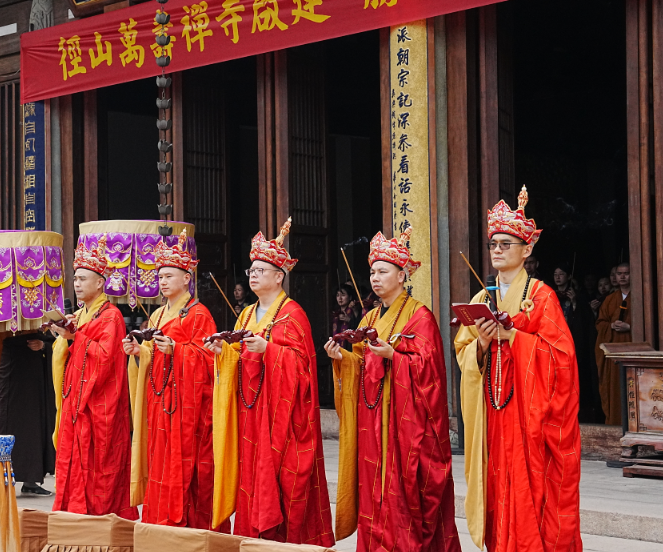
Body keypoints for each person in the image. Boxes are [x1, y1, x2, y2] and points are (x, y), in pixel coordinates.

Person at [455, 187, 581, 552]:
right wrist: (480, 343)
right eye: (493, 243)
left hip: (529, 417)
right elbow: (463, 352)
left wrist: (514, 337)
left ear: (526, 250)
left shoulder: (540, 296)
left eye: (506, 243)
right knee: (495, 485)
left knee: (533, 490)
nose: (497, 249)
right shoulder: (481, 298)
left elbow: (562, 360)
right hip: (491, 412)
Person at [322, 227, 459, 551]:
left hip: (404, 430)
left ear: (402, 275)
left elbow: (431, 375)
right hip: (373, 426)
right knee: (373, 494)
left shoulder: (420, 317)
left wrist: (395, 358)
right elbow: (359, 367)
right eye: (372, 271)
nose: (375, 278)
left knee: (405, 496)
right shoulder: (369, 316)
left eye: (383, 271)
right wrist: (342, 357)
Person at [206, 218, 334, 546]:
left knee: (283, 485)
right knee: (251, 478)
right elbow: (236, 357)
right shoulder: (247, 314)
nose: (253, 274)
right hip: (251, 415)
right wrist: (223, 351)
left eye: (261, 269)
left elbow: (304, 370)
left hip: (282, 419)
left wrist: (270, 351)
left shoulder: (293, 314)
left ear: (279, 276)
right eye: (252, 269)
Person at [124, 229, 221, 529]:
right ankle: (158, 527)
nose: (162, 282)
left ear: (186, 279)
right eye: (160, 276)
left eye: (169, 276)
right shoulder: (155, 317)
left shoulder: (199, 315)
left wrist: (178, 350)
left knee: (186, 471)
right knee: (159, 464)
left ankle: (185, 531)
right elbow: (152, 359)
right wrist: (139, 352)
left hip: (187, 411)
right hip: (159, 404)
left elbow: (209, 360)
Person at [51, 235, 137, 518]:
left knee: (100, 468)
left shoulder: (110, 316)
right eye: (75, 278)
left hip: (98, 407)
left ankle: (100, 524)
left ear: (100, 282)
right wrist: (64, 337)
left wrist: (76, 337)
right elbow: (68, 353)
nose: (76, 284)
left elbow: (106, 358)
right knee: (74, 464)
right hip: (76, 405)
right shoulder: (81, 315)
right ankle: (72, 517)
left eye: (83, 279)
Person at [0, 329, 55, 497]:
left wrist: (43, 345)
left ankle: (31, 479)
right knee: (8, 424)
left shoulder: (38, 312)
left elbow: (53, 339)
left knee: (34, 424)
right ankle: (1, 476)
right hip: (12, 366)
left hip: (35, 371)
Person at [554, 263, 601, 423]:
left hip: (573, 342)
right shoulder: (550, 295)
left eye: (561, 274)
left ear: (568, 277)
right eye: (555, 274)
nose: (558, 277)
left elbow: (584, 321)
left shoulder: (578, 296)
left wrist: (574, 303)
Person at [595, 262, 632, 426]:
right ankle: (615, 422)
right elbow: (600, 323)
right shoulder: (610, 299)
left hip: (632, 349)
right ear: (615, 276)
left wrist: (630, 327)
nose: (622, 277)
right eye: (619, 273)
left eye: (626, 273)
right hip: (613, 352)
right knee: (615, 387)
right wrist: (610, 326)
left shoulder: (641, 296)